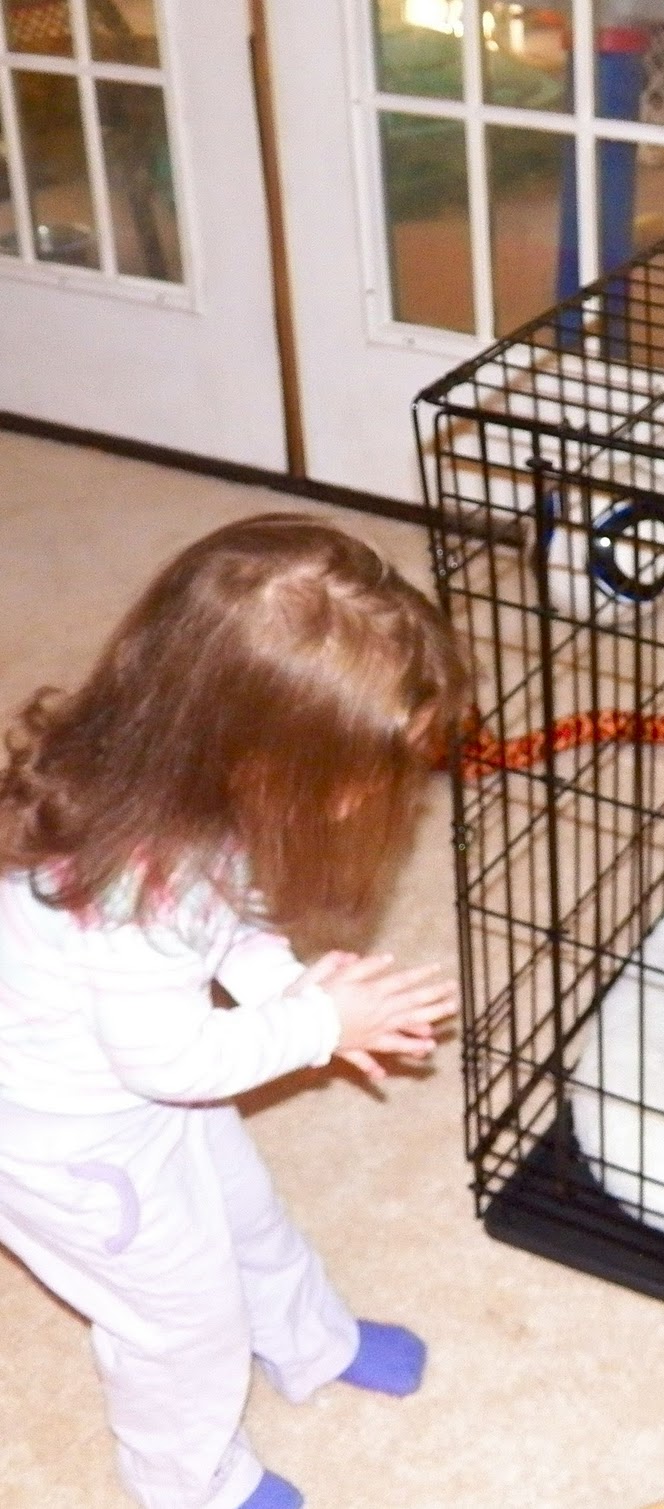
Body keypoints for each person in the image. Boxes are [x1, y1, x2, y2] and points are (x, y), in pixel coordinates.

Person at [0, 514, 470, 1509]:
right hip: (68, 1140)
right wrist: (318, 1029)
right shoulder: (129, 886)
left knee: (245, 1213)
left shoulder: (185, 792)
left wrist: (289, 992)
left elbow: (221, 924)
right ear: (263, 764)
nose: (399, 793)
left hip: (128, 1079)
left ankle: (308, 1341)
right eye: (375, 778)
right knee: (179, 1319)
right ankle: (192, 1485)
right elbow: (168, 1061)